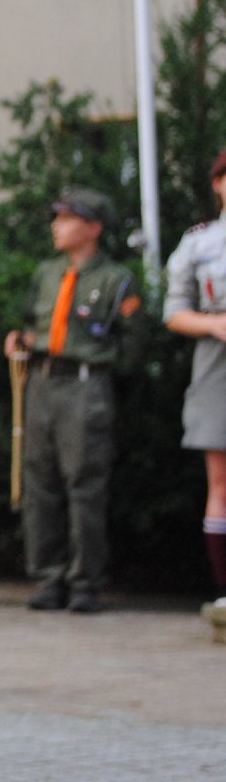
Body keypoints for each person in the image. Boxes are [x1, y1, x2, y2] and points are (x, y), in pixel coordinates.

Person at [2, 188, 143, 614]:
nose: (56, 226)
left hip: (85, 387)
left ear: (94, 228)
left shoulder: (115, 279)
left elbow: (134, 344)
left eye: (67, 218)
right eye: (57, 217)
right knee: (39, 481)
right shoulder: (47, 273)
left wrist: (101, 366)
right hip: (42, 384)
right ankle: (48, 577)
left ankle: (85, 581)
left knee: (84, 483)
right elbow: (33, 322)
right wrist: (20, 341)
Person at [165, 149, 226, 617]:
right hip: (217, 361)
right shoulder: (201, 244)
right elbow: (174, 311)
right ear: (218, 184)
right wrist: (214, 325)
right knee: (220, 477)